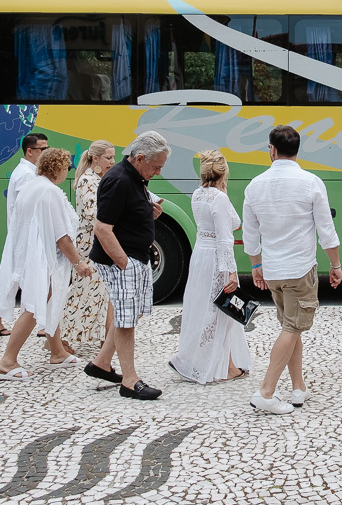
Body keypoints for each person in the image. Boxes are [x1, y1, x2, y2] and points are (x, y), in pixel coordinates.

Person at [244, 125, 342, 415]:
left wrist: (256, 267)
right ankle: (266, 392)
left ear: (272, 150)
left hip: (272, 270)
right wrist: (335, 265)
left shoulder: (255, 185)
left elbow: (251, 235)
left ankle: (298, 387)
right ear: (297, 150)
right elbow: (326, 230)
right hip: (300, 269)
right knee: (292, 328)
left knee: (292, 328)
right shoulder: (311, 182)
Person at [84, 131, 170, 400]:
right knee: (126, 320)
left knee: (131, 314)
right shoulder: (119, 179)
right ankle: (130, 381)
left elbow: (125, 213)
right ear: (140, 158)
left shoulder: (134, 176)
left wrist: (149, 210)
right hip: (124, 259)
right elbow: (102, 227)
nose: (157, 172)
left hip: (135, 256)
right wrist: (124, 263)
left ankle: (101, 362)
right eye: (156, 167)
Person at [0, 148, 88, 379]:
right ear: (59, 168)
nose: (67, 172)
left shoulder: (32, 187)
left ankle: (57, 352)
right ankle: (8, 360)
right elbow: (61, 235)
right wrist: (78, 263)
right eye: (66, 167)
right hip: (43, 259)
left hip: (30, 256)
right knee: (35, 306)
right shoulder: (49, 191)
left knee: (46, 300)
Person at [169, 150, 252, 384]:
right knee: (220, 311)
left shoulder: (198, 194)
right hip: (216, 258)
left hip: (200, 256)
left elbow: (233, 222)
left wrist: (223, 194)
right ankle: (224, 367)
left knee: (202, 307)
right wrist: (232, 272)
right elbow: (227, 236)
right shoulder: (220, 199)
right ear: (224, 172)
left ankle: (209, 361)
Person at [0, 132, 48, 337]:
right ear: (30, 151)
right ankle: (39, 322)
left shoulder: (27, 171)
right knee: (29, 275)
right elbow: (29, 206)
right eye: (43, 149)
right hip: (26, 232)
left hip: (25, 231)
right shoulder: (26, 174)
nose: (47, 153)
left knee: (15, 274)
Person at [60, 140, 115, 348]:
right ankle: (62, 338)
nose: (112, 161)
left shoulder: (99, 180)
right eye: (108, 157)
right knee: (83, 291)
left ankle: (103, 337)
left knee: (101, 292)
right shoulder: (87, 181)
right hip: (90, 244)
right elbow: (93, 215)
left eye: (113, 157)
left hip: (100, 241)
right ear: (95, 158)